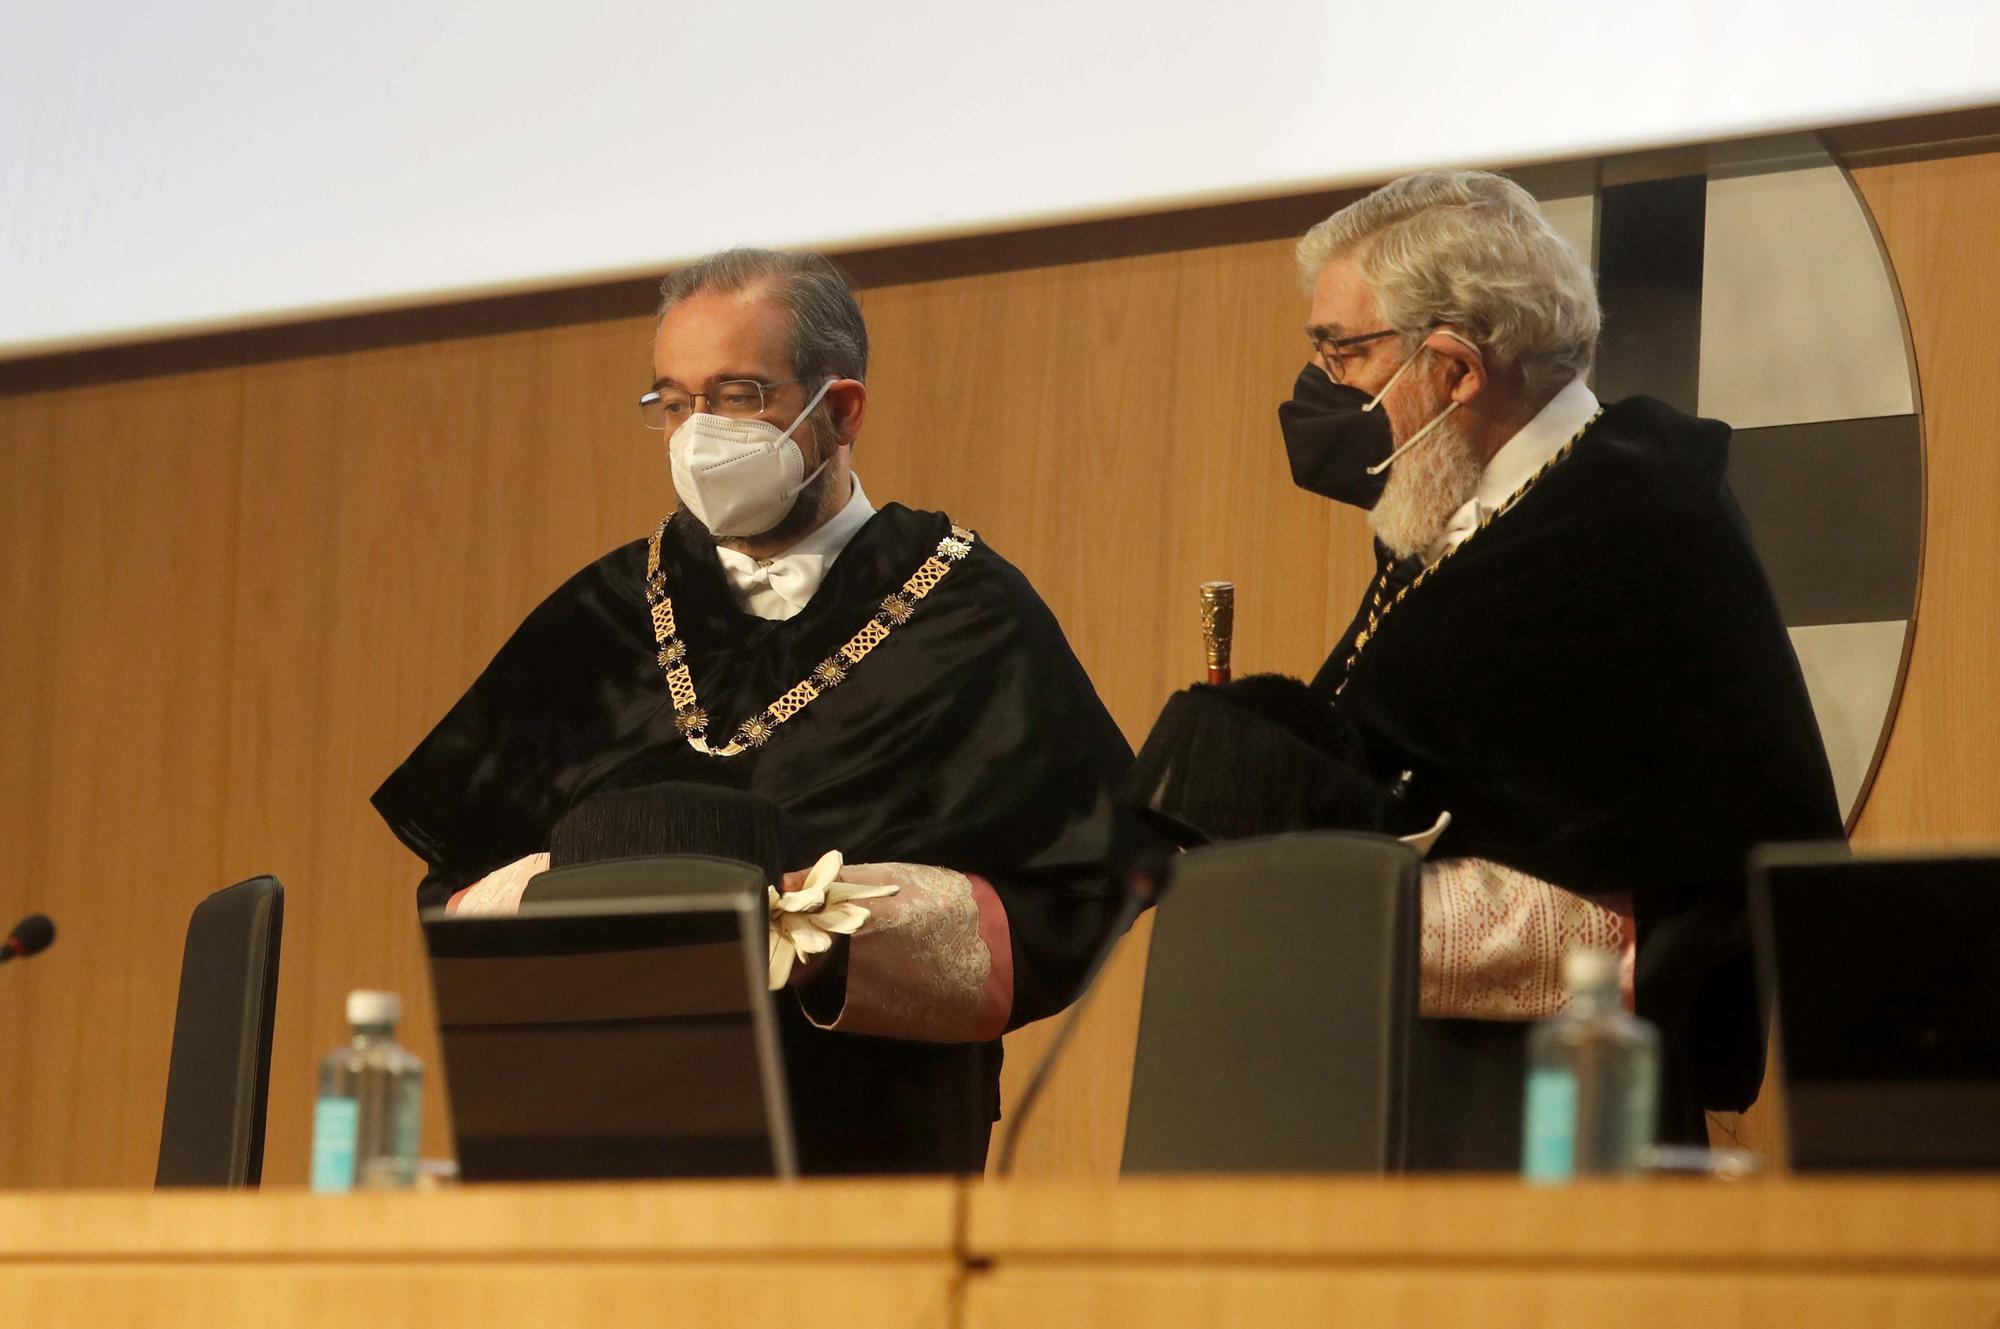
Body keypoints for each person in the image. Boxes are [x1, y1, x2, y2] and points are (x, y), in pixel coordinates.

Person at [372, 248, 1138, 1174]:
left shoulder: (967, 614)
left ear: (841, 410)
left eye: (738, 397)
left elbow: (1075, 889)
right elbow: (460, 880)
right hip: (598, 1138)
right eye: (673, 402)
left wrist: (830, 934)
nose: (698, 434)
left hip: (865, 1151)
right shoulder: (605, 613)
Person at [1276, 171, 1842, 1150]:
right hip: (1408, 1067)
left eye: (1344, 350)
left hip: (1550, 1094)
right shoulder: (1458, 512)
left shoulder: (1629, 518)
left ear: (1452, 368)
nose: (1320, 384)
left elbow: (1709, 854)